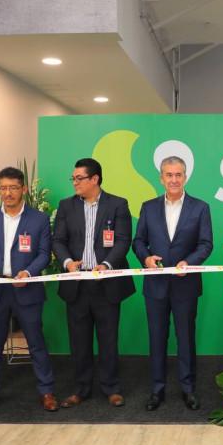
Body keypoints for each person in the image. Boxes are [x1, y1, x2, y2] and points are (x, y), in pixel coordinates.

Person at [0, 167, 58, 416]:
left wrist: (29, 273)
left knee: (36, 343)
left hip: (27, 290)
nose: (7, 193)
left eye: (13, 188)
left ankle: (47, 392)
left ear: (24, 189)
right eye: (3, 188)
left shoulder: (39, 219)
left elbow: (44, 254)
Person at [53, 158, 135, 409]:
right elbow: (58, 240)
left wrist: (107, 265)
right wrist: (68, 262)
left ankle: (111, 388)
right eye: (73, 178)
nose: (75, 183)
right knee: (79, 341)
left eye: (79, 178)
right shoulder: (66, 206)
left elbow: (123, 240)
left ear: (95, 179)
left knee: (108, 339)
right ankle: (81, 389)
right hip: (77, 282)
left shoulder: (118, 204)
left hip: (105, 282)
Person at [132, 156, 213, 411]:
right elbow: (138, 241)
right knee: (157, 339)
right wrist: (146, 258)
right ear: (161, 178)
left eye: (178, 174)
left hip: (185, 285)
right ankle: (157, 390)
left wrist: (189, 262)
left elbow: (206, 244)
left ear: (185, 177)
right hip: (155, 285)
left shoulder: (200, 208)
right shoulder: (148, 207)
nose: (174, 179)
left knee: (185, 338)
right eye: (169, 175)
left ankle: (188, 389)